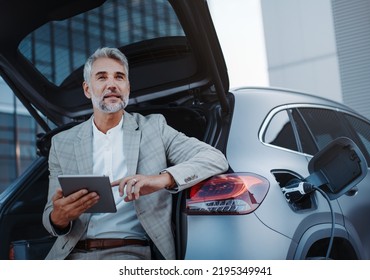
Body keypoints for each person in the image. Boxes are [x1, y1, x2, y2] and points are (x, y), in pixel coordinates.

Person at [42, 47, 229, 260]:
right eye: (101, 77)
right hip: (68, 255)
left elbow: (214, 158)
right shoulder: (61, 143)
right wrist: (60, 217)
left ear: (127, 87)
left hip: (129, 252)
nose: (111, 84)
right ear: (87, 89)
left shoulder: (154, 128)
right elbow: (50, 216)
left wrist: (162, 180)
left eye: (119, 77)